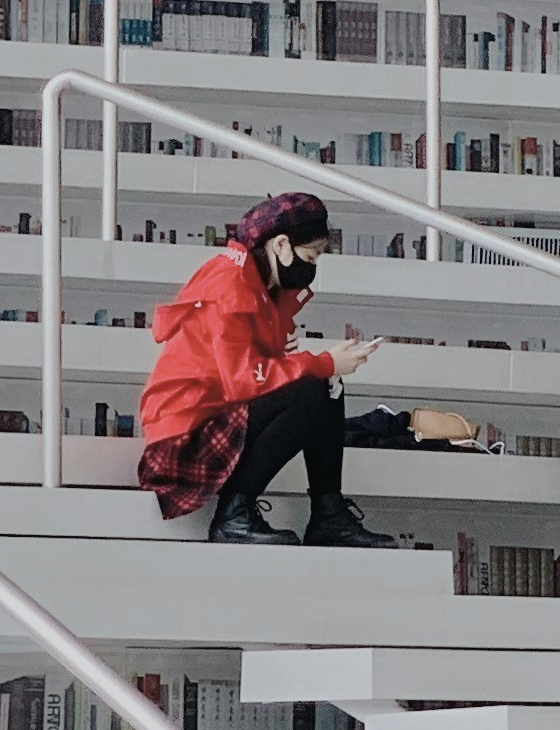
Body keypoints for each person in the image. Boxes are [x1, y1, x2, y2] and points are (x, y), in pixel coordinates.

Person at [135, 190, 480, 546]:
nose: (313, 266)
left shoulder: (260, 285)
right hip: (185, 437)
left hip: (214, 416)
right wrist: (322, 362)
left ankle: (328, 515)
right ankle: (234, 515)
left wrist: (307, 364)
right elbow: (243, 381)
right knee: (315, 384)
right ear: (281, 245)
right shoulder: (229, 282)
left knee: (327, 386)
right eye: (310, 254)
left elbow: (244, 372)